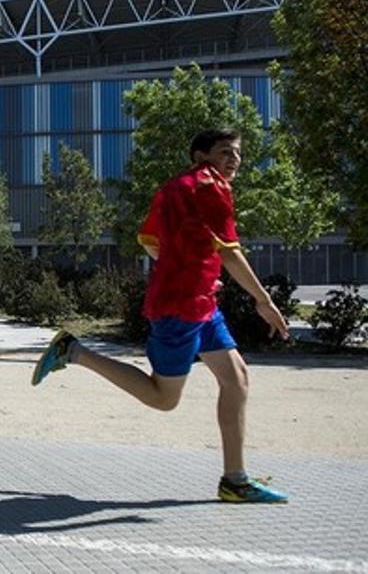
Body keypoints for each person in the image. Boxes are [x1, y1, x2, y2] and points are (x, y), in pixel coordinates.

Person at [31, 129, 290, 503]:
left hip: (200, 302)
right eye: (224, 152)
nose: (233, 160)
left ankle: (235, 480)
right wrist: (262, 300)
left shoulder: (173, 188)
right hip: (181, 308)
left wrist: (191, 271)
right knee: (163, 399)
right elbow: (230, 252)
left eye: (237, 153)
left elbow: (151, 242)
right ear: (200, 155)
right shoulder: (208, 185)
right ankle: (74, 351)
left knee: (236, 379)